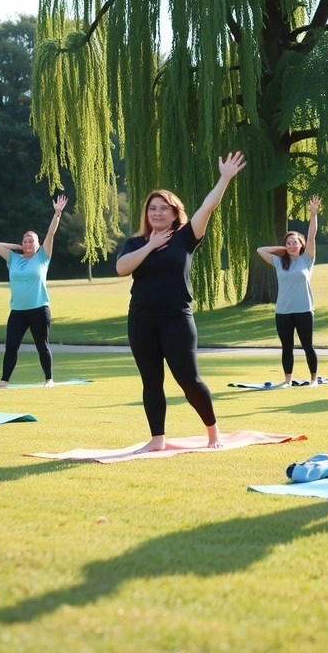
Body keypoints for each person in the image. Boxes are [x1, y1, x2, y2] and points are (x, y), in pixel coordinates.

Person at [116, 152, 246, 452]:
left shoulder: (186, 237)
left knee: (189, 380)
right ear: (146, 213)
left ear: (175, 214)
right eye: (152, 208)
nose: (157, 213)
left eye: (164, 209)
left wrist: (225, 177)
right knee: (151, 382)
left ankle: (213, 432)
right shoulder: (136, 242)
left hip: (176, 319)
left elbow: (207, 207)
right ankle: (157, 439)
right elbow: (122, 268)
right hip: (141, 320)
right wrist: (149, 246)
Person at [0, 195, 69, 388]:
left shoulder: (42, 257)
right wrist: (16, 247)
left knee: (42, 345)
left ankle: (49, 379)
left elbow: (50, 234)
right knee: (11, 347)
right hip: (18, 311)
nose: (28, 243)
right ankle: (4, 380)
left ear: (38, 244)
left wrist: (57, 213)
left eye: (31, 241)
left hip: (39, 308)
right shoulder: (13, 259)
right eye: (25, 241)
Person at [256, 195, 320, 387]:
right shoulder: (279, 262)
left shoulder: (307, 259)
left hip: (304, 309)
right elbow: (261, 250)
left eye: (295, 242)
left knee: (308, 346)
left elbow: (312, 235)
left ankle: (313, 379)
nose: (292, 244)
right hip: (283, 310)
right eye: (289, 242)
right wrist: (282, 249)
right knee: (287, 347)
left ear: (302, 245)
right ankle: (287, 380)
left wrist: (313, 215)